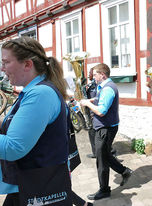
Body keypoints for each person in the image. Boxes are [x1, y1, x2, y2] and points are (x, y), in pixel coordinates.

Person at [0, 37, 80, 205]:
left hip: (38, 190)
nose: (2, 68)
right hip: (31, 186)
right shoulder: (34, 91)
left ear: (27, 64)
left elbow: (13, 147)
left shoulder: (40, 94)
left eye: (6, 62)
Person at [80, 63, 132, 201]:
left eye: (95, 74)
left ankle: (104, 190)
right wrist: (91, 99)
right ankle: (124, 171)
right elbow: (100, 99)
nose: (93, 76)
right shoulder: (104, 86)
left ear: (102, 74)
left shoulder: (108, 88)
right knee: (104, 154)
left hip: (106, 128)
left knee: (101, 159)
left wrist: (87, 104)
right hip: (105, 127)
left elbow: (102, 111)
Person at [83, 68, 97, 158]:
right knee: (91, 133)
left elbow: (96, 100)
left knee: (97, 134)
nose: (88, 74)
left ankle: (110, 152)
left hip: (94, 113)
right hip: (89, 111)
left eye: (90, 73)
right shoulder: (90, 85)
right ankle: (95, 152)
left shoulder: (97, 86)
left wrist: (92, 113)